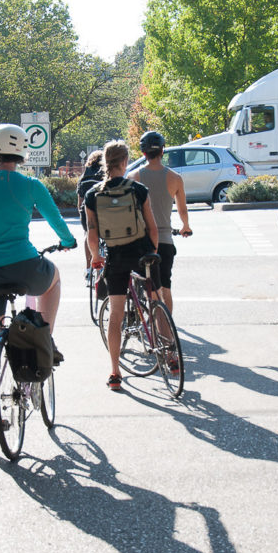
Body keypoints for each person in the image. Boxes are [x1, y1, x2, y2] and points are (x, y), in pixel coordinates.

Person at [0, 123, 76, 449]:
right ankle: (45, 336)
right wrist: (67, 241)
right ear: (21, 154)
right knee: (53, 279)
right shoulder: (31, 184)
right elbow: (57, 220)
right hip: (25, 267)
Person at [86, 139, 159, 391]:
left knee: (115, 316)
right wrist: (153, 252)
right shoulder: (138, 190)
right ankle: (169, 355)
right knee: (155, 300)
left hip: (115, 257)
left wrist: (96, 256)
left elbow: (92, 234)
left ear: (105, 163)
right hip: (140, 253)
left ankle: (115, 373)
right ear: (125, 161)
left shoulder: (92, 194)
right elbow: (152, 227)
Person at [128, 131, 192, 313]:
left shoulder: (133, 177)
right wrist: (185, 226)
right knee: (165, 286)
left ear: (143, 153)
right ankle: (167, 331)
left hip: (141, 241)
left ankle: (146, 324)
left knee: (142, 284)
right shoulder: (175, 178)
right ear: (162, 151)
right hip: (164, 240)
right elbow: (182, 209)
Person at [77, 149, 105, 275]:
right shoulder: (105, 175)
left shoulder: (84, 177)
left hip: (87, 212)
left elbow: (80, 203)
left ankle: (88, 267)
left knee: (87, 234)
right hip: (105, 212)